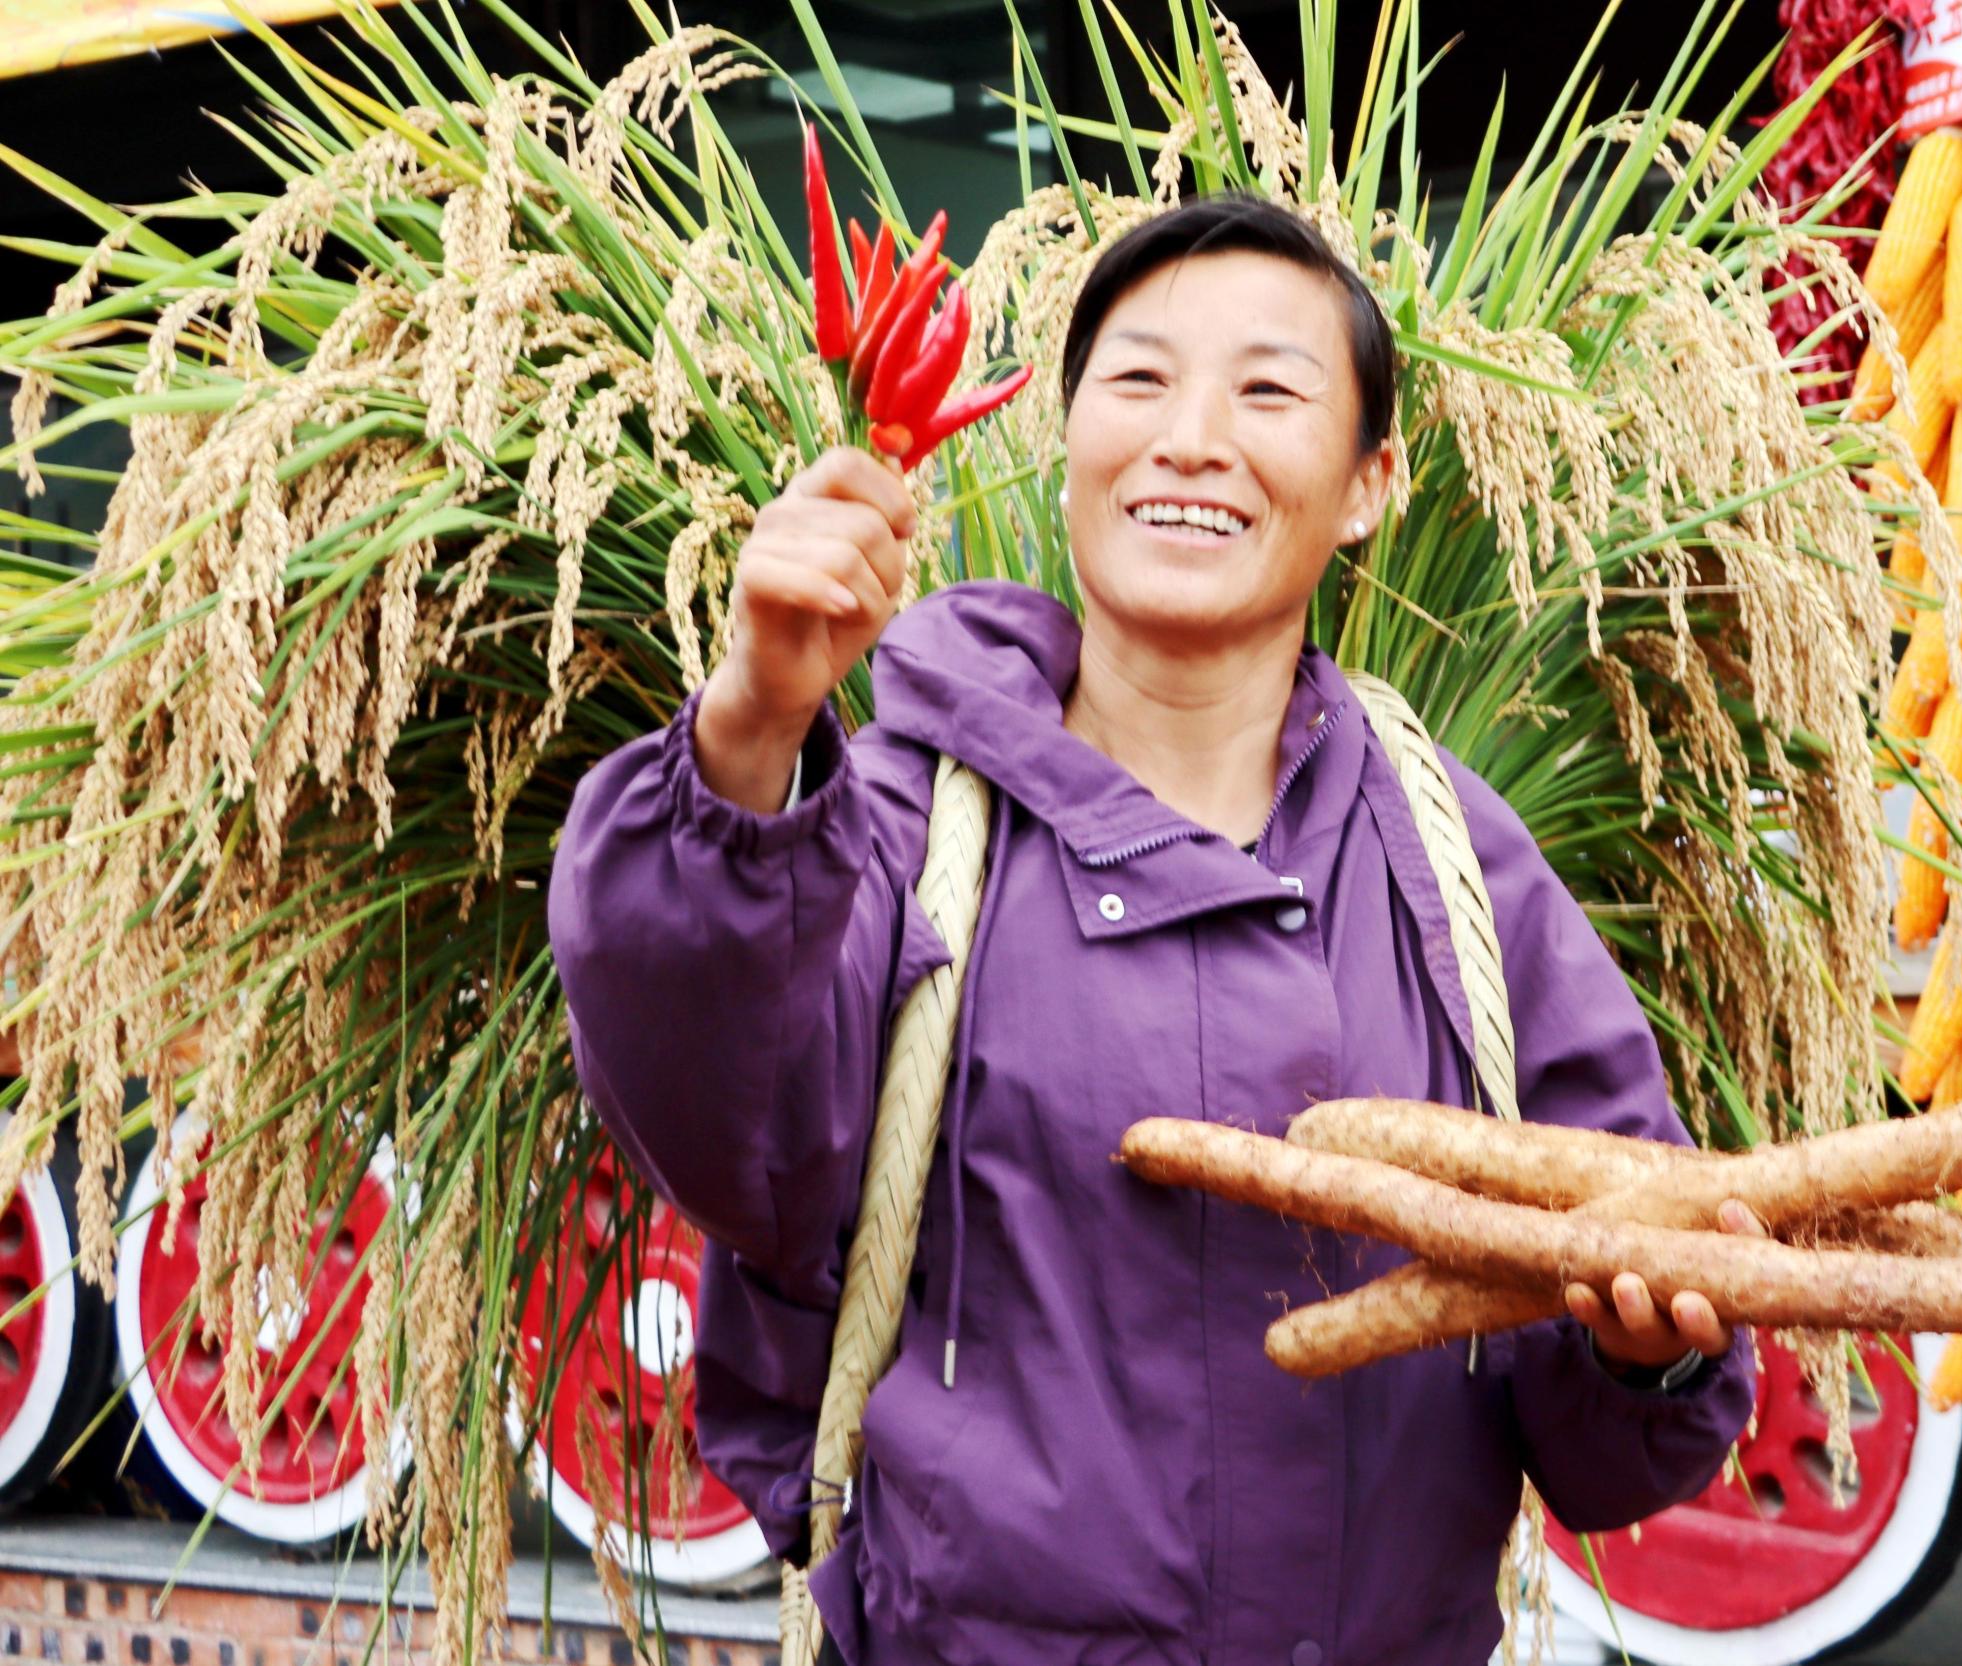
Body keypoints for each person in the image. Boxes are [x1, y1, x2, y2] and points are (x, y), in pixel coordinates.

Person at [549, 195, 1759, 1666]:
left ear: (1372, 481)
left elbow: (1614, 1407)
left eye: (1267, 389)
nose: (1191, 436)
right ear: (1069, 445)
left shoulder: (1453, 862)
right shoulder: (896, 826)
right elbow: (713, 1108)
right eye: (1136, 382)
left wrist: (1652, 1345)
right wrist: (751, 722)